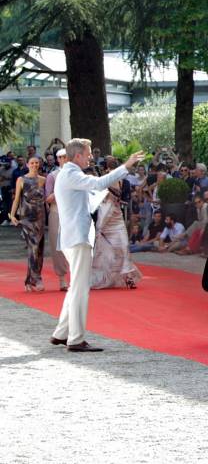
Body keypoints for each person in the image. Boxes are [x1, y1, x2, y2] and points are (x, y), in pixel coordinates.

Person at [50, 138, 144, 352]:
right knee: (81, 289)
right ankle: (76, 339)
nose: (91, 157)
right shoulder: (72, 173)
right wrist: (126, 166)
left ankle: (61, 333)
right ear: (78, 156)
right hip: (77, 238)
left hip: (74, 237)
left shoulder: (68, 173)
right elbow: (99, 184)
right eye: (88, 153)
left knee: (76, 287)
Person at [89, 162, 142, 289]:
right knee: (107, 250)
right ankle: (104, 278)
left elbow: (121, 197)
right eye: (111, 170)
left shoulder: (122, 181)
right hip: (106, 214)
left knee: (124, 246)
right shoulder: (102, 182)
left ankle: (128, 277)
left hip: (117, 216)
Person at [9, 156, 47, 291]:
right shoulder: (21, 179)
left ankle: (29, 281)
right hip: (27, 219)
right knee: (33, 248)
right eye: (32, 163)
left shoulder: (43, 180)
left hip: (40, 218)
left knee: (39, 249)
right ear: (27, 164)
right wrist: (12, 215)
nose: (34, 165)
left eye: (37, 163)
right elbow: (16, 199)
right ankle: (36, 279)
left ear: (40, 164)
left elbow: (46, 200)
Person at [44, 149, 70, 291]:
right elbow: (47, 198)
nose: (64, 159)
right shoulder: (52, 176)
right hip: (57, 213)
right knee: (58, 246)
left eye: (66, 156)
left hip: (74, 214)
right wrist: (59, 190)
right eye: (61, 157)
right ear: (58, 159)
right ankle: (62, 278)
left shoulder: (76, 174)